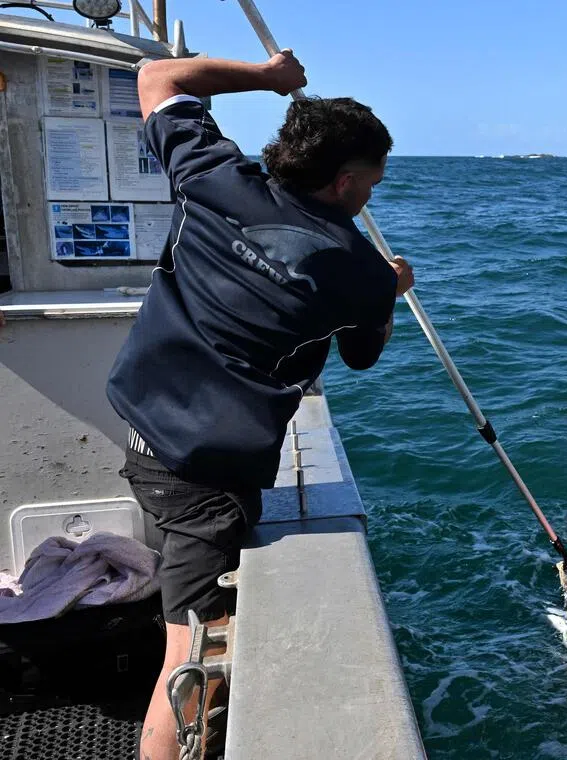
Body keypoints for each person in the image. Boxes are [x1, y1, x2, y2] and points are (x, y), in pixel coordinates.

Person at [104, 50, 413, 760]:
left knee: (192, 629)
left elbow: (158, 78)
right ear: (343, 183)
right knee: (193, 658)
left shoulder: (215, 175)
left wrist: (269, 77)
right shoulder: (359, 274)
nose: (372, 193)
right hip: (205, 479)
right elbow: (364, 355)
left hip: (142, 425)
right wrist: (389, 292)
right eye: (371, 182)